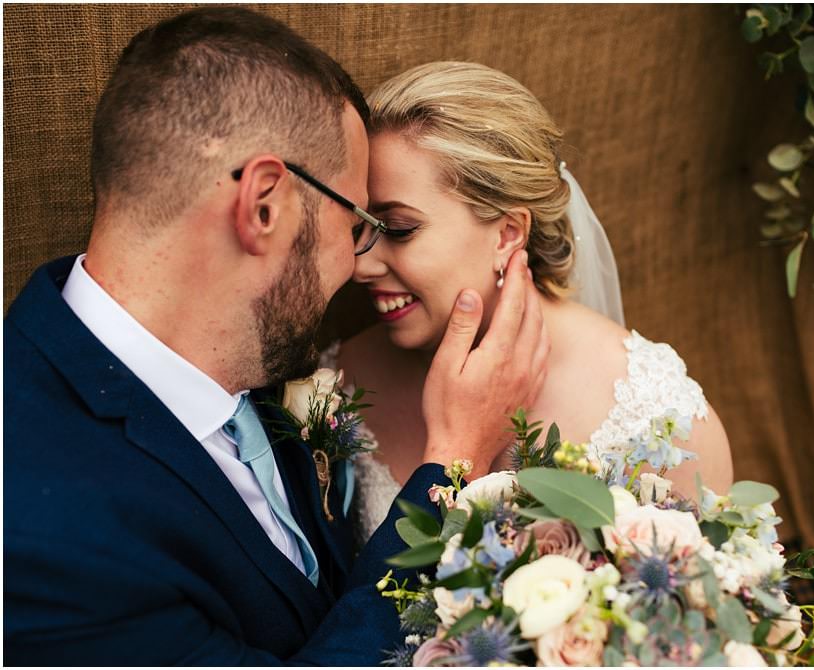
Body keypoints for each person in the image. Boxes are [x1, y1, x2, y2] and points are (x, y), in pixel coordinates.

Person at [3, 10, 547, 666]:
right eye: (355, 226)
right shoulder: (42, 539)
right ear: (265, 207)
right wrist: (455, 460)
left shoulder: (257, 358)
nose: (356, 266)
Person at [326, 62, 734, 543]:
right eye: (360, 230)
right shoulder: (337, 387)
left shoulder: (658, 416)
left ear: (508, 233)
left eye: (398, 229)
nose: (360, 266)